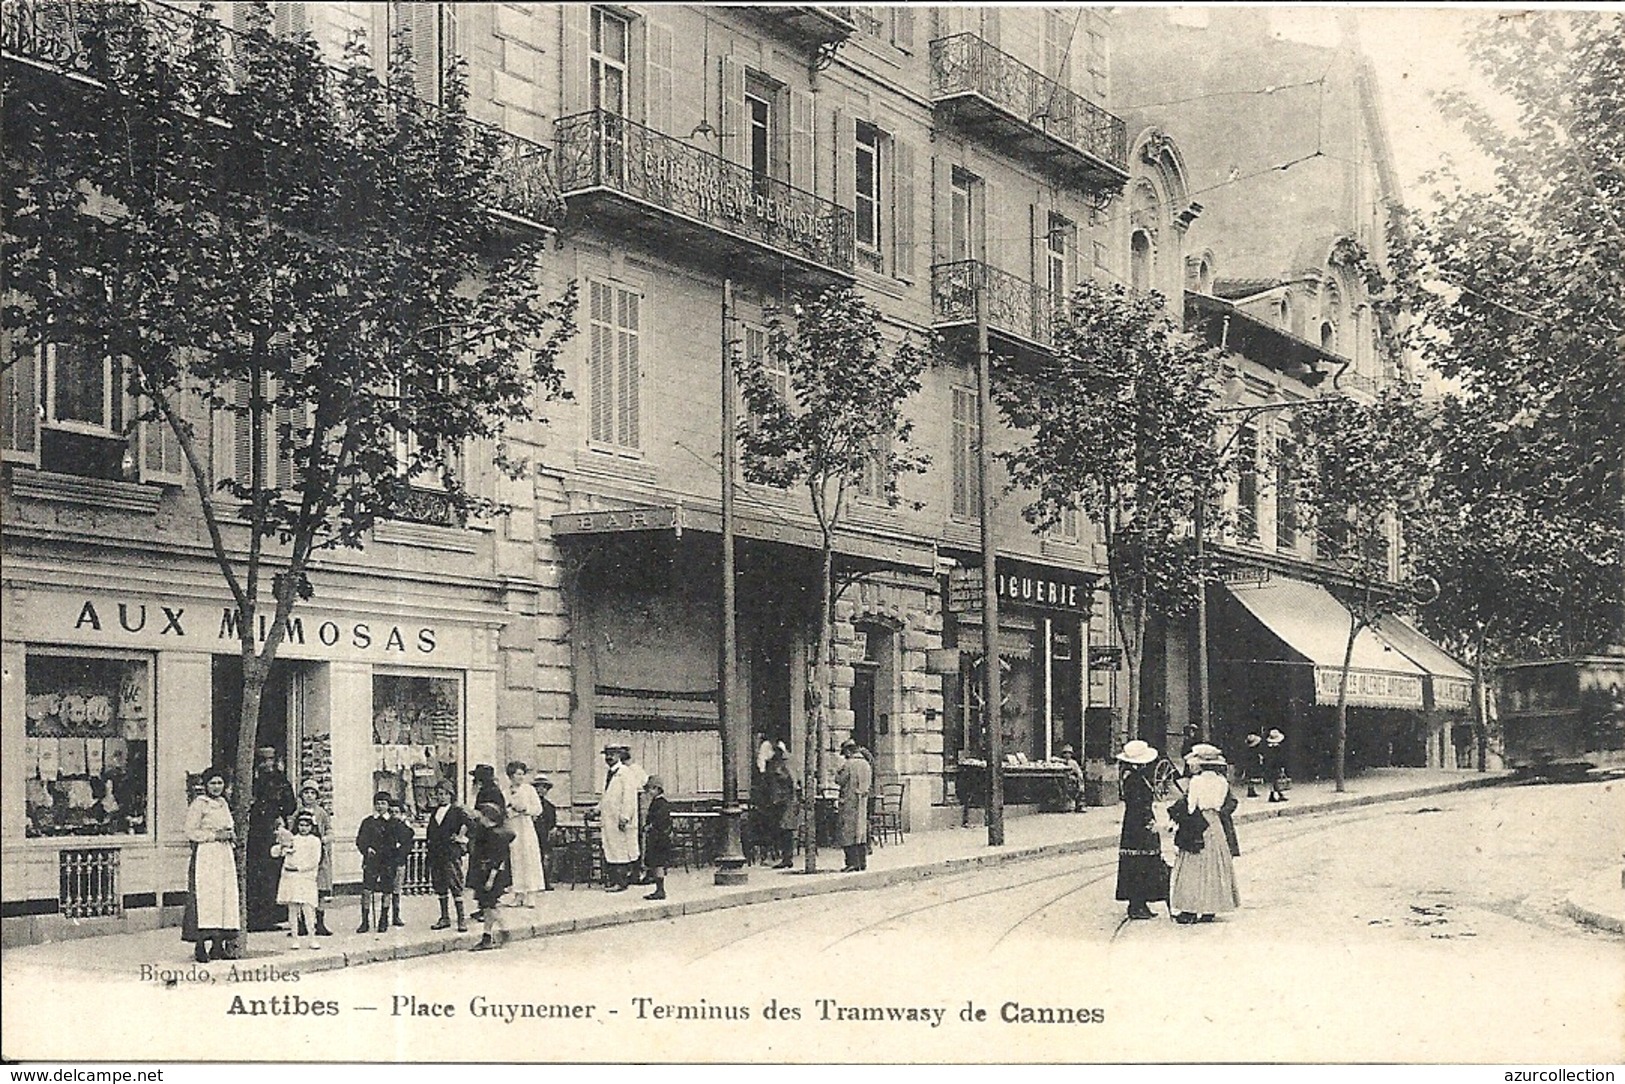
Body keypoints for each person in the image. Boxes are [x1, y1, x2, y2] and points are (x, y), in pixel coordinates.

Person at [1168, 750, 1241, 924]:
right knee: (1215, 863)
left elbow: (1191, 806)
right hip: (1215, 823)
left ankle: (1190, 909)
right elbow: (1224, 803)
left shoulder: (1196, 781)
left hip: (1199, 822)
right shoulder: (1222, 781)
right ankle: (1210, 909)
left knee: (1193, 865)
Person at [183, 768, 240, 962]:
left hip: (224, 854)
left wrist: (230, 835)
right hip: (207, 854)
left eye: (220, 783)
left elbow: (229, 825)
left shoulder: (223, 803)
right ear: (206, 785)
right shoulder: (199, 804)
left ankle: (218, 945)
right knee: (206, 897)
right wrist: (214, 836)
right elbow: (190, 831)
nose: (217, 787)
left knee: (223, 897)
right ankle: (200, 946)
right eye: (213, 783)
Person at [1114, 740, 1169, 921]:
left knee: (1140, 862)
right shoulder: (1135, 780)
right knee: (1140, 862)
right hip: (1139, 825)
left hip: (1133, 824)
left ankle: (1140, 902)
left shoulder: (1132, 777)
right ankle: (1137, 904)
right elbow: (1139, 805)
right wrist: (1149, 822)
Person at [246, 746, 296, 932]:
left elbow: (290, 804)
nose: (267, 764)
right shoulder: (251, 780)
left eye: (270, 760)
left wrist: (280, 815)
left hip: (272, 832)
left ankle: (270, 916)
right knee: (255, 875)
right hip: (254, 833)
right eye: (263, 760)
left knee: (271, 874)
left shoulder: (280, 781)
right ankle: (254, 917)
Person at [355, 792, 407, 934]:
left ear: (388, 805)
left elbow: (407, 838)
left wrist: (397, 854)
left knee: (387, 890)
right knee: (367, 890)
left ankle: (383, 919)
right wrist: (366, 849)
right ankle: (365, 921)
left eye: (383, 803)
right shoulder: (368, 822)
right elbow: (360, 840)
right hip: (372, 861)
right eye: (377, 803)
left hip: (388, 862)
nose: (380, 806)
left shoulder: (394, 823)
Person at [271, 810, 322, 950]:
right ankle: (295, 938)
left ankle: (312, 937)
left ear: (312, 826)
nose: (303, 828)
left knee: (308, 908)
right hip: (291, 877)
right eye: (301, 825)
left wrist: (299, 868)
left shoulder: (315, 841)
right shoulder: (292, 839)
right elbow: (275, 853)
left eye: (307, 825)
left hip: (306, 878)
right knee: (293, 909)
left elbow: (315, 861)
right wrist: (282, 847)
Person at [425, 782, 471, 932]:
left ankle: (461, 919)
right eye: (439, 794)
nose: (442, 797)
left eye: (445, 794)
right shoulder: (435, 812)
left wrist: (460, 836)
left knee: (455, 884)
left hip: (450, 852)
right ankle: (444, 917)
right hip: (436, 853)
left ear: (450, 795)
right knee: (440, 885)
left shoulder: (457, 811)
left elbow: (470, 823)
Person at [468, 802, 513, 951]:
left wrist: (490, 879)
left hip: (491, 875)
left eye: (481, 815)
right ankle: (487, 937)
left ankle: (505, 931)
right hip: (485, 873)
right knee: (487, 907)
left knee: (490, 906)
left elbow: (497, 860)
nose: (479, 818)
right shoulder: (489, 832)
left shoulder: (495, 835)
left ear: (487, 816)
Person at [599, 745, 641, 891]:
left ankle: (621, 882)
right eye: (607, 755)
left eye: (612, 754)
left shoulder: (626, 773)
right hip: (609, 818)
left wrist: (625, 817)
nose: (609, 757)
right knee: (611, 849)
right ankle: (614, 880)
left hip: (619, 820)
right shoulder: (609, 774)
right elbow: (607, 797)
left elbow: (629, 797)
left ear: (619, 756)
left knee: (621, 850)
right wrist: (596, 809)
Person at [504, 761, 546, 905]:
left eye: (522, 774)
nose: (521, 777)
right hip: (513, 826)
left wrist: (525, 809)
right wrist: (510, 811)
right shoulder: (506, 791)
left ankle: (531, 893)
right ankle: (519, 893)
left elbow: (538, 809)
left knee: (529, 858)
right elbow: (503, 810)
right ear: (511, 775)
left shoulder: (529, 790)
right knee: (516, 859)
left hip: (526, 827)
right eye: (518, 774)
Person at [295, 782, 334, 936]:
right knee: (302, 888)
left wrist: (326, 838)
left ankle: (320, 922)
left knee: (320, 889)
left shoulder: (321, 813)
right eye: (306, 793)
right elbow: (292, 829)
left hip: (318, 855)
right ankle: (302, 923)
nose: (309, 796)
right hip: (302, 854)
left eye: (312, 793)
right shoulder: (298, 812)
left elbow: (329, 829)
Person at [836, 741, 872, 872]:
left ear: (848, 751)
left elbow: (840, 780)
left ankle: (851, 863)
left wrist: (837, 770)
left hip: (849, 801)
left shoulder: (849, 764)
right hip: (862, 802)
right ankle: (862, 862)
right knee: (860, 832)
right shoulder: (866, 764)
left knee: (848, 832)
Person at [764, 742, 798, 869]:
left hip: (785, 802)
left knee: (785, 830)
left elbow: (791, 782)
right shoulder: (786, 762)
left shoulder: (784, 764)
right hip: (783, 801)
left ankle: (786, 858)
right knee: (783, 830)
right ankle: (785, 857)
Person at [641, 775, 673, 901]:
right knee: (654, 863)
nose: (648, 792)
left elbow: (660, 820)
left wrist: (650, 826)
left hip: (659, 838)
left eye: (650, 789)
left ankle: (660, 890)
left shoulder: (661, 804)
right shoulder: (656, 802)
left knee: (658, 863)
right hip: (656, 837)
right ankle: (658, 888)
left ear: (657, 789)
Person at [386, 798, 415, 928]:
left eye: (396, 812)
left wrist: (401, 856)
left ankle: (396, 915)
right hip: (386, 862)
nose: (394, 815)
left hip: (399, 861)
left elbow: (408, 844)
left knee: (397, 889)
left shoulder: (404, 828)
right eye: (391, 812)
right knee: (387, 889)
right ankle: (384, 916)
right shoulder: (385, 826)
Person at [533, 776, 558, 891]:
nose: (541, 790)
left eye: (544, 788)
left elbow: (552, 824)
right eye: (538, 787)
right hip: (532, 835)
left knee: (547, 856)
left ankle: (545, 881)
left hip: (544, 836)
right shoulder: (531, 804)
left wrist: (552, 831)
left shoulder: (550, 807)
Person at [1058, 744, 1087, 812]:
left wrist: (1080, 782)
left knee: (1073, 788)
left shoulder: (1073, 762)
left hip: (1073, 780)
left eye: (1068, 753)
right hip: (1066, 779)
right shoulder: (1062, 762)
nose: (1066, 755)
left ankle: (1078, 805)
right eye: (1065, 753)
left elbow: (1079, 773)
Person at [1264, 728, 1289, 802]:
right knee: (1274, 780)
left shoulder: (1268, 747)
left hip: (1269, 765)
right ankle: (1272, 795)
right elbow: (1279, 758)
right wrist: (1282, 766)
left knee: (1273, 780)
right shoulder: (1277, 748)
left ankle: (1279, 794)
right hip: (1275, 765)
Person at [1242, 733, 1265, 798]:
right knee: (1251, 776)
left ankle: (1251, 790)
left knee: (1249, 776)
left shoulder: (1248, 750)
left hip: (1249, 764)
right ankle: (1251, 791)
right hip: (1253, 763)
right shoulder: (1254, 750)